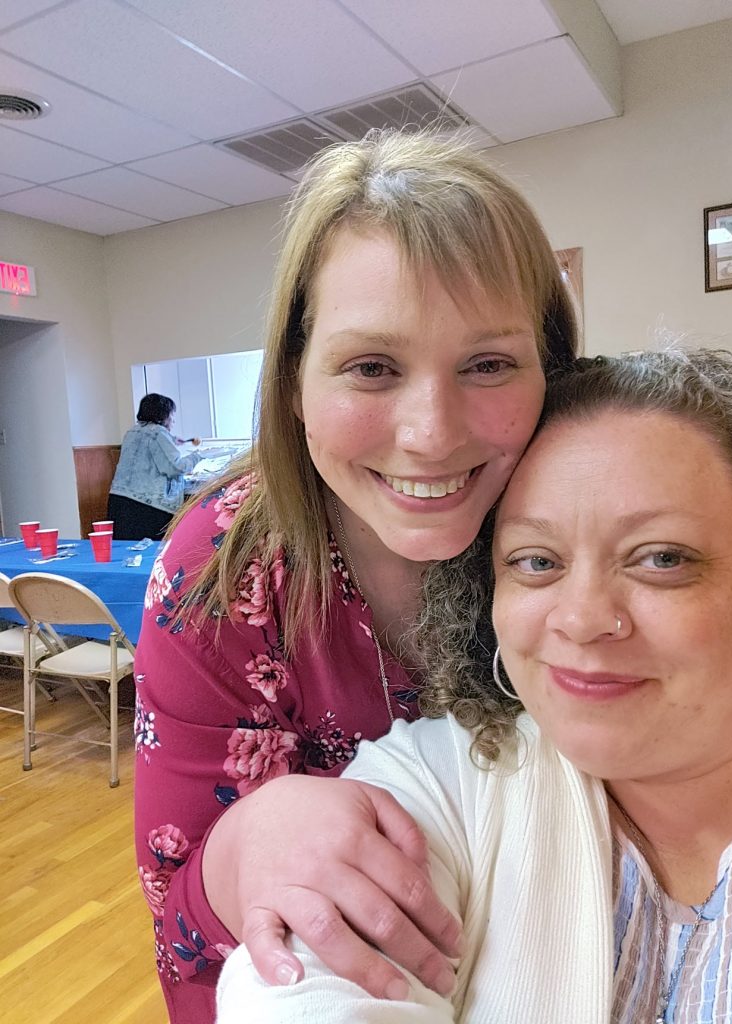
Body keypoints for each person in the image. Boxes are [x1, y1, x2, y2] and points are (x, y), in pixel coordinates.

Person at [133, 128, 578, 1023]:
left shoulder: (592, 521)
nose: (430, 432)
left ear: (553, 371)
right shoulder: (219, 578)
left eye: (487, 364)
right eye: (372, 367)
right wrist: (241, 852)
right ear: (294, 381)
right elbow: (181, 930)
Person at [215, 347, 732, 1024]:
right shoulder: (443, 782)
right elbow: (308, 989)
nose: (582, 618)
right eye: (536, 561)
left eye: (662, 559)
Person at [108, 392, 202, 540]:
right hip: (146, 507)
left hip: (119, 501)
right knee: (150, 553)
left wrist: (171, 440)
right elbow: (176, 467)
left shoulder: (132, 431)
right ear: (163, 415)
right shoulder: (158, 434)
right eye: (172, 415)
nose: (173, 420)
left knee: (127, 550)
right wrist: (198, 456)